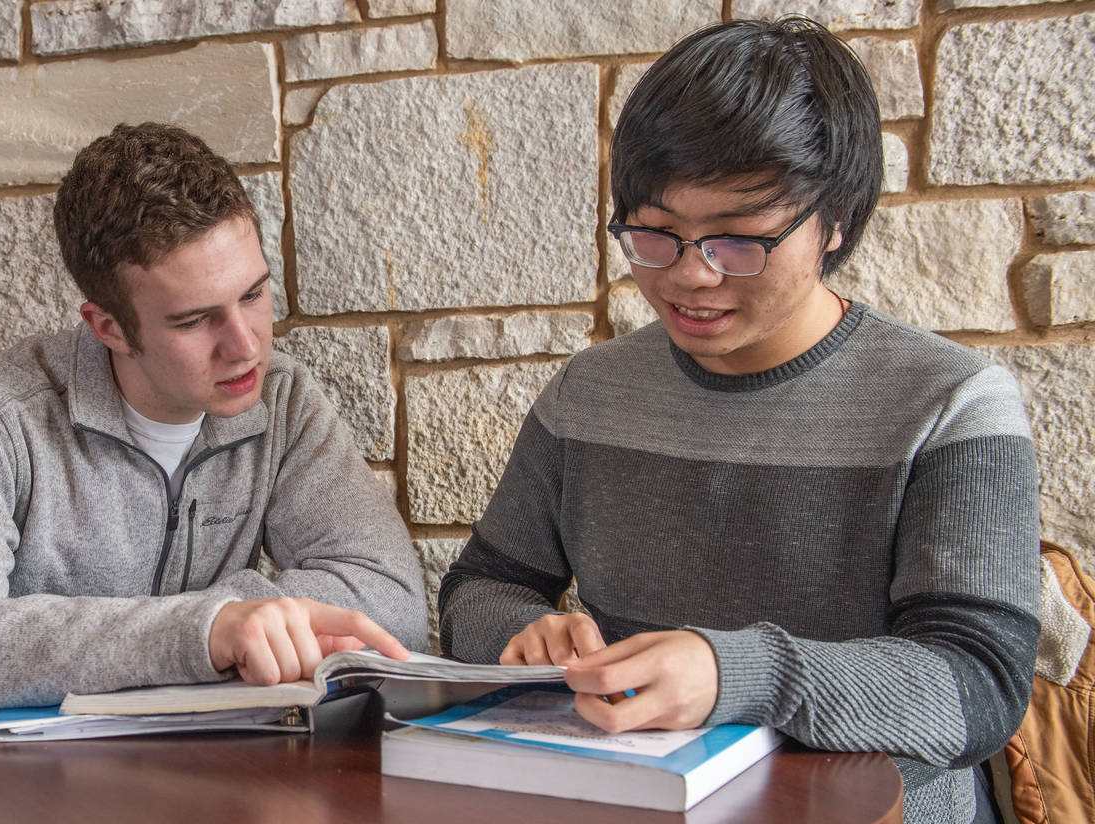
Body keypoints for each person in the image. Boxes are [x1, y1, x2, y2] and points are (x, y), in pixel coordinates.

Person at [437, 18, 1037, 824]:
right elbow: (480, 586)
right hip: (638, 800)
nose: (690, 276)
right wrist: (525, 631)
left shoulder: (952, 402)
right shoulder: (590, 393)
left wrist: (736, 675)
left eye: (740, 241)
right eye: (656, 234)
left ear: (837, 226)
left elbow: (978, 685)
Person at [0, 122, 426, 719]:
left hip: (212, 785)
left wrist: (243, 618)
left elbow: (392, 604)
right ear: (108, 327)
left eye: (254, 295)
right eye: (193, 321)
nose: (245, 347)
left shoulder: (282, 402)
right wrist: (200, 631)